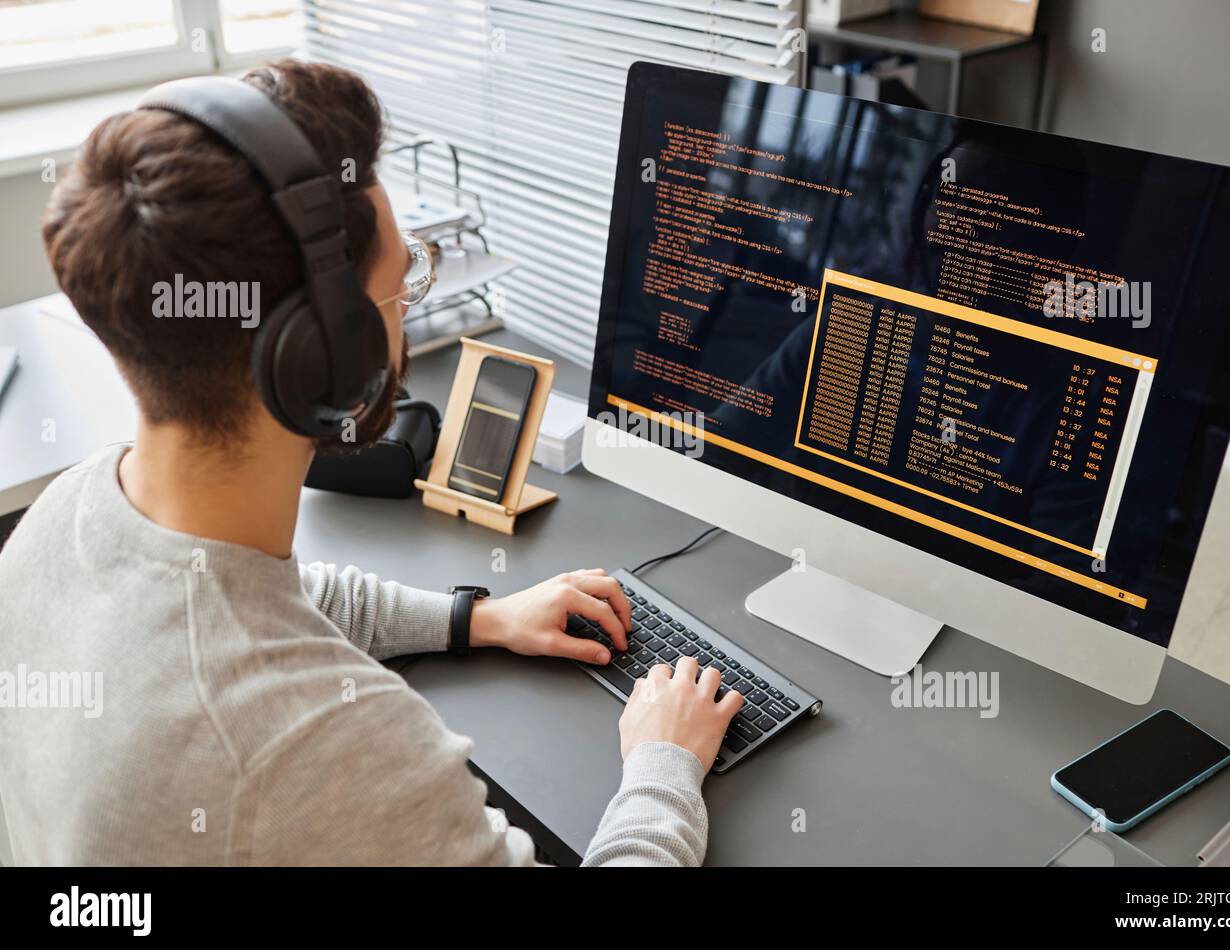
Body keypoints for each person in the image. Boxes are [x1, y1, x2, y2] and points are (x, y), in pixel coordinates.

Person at [0, 59, 742, 866]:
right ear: (326, 354)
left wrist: (476, 619)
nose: (407, 311)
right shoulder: (329, 752)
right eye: (402, 287)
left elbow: (272, 602)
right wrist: (663, 763)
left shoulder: (63, 518)